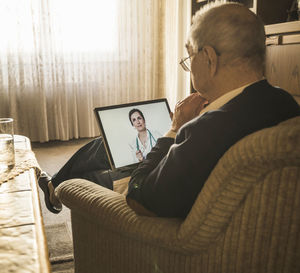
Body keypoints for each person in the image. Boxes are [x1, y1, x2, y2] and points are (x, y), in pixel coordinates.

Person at [39, 1, 300, 218]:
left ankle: (55, 188)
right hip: (196, 182)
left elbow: (139, 196)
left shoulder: (205, 130)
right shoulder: (285, 103)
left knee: (94, 177)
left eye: (189, 58)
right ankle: (52, 186)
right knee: (103, 147)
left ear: (208, 58)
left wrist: (175, 129)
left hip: (163, 216)